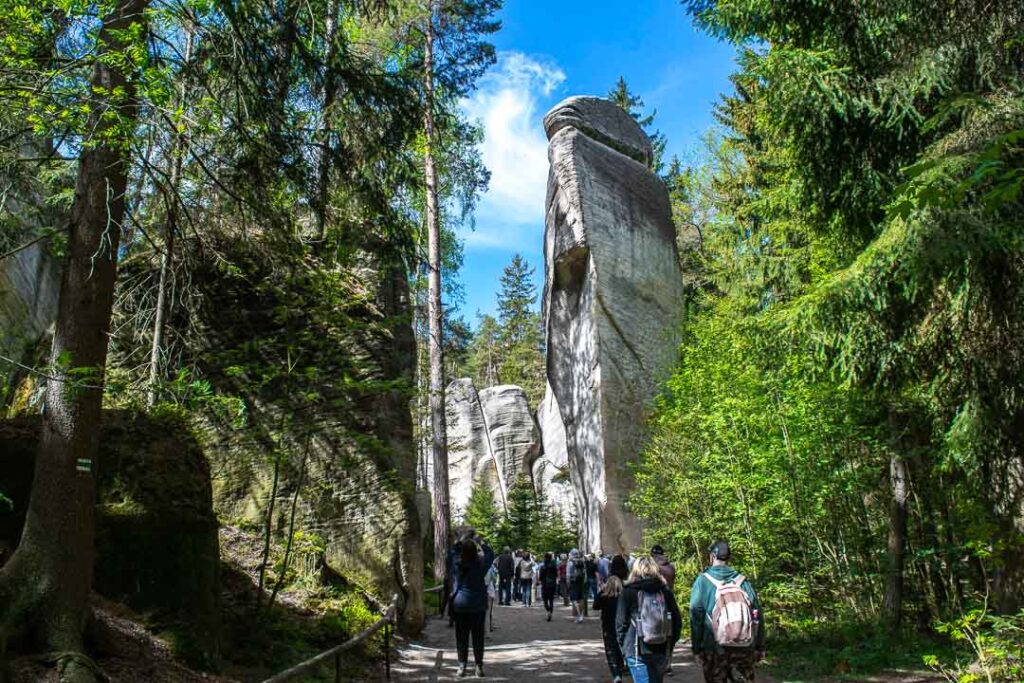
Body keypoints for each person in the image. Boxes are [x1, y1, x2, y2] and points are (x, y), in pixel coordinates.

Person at [690, 540, 765, 683]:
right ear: (729, 558)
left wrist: (697, 649)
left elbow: (696, 616)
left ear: (712, 557)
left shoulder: (702, 581)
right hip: (744, 646)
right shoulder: (742, 581)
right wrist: (760, 646)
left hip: (714, 647)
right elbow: (757, 614)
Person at [616, 556, 682, 683]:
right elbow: (676, 621)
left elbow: (621, 623)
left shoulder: (629, 591)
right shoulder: (665, 591)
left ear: (634, 570)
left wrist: (624, 646)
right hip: (660, 647)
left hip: (635, 648)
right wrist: (670, 643)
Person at [451, 534, 495, 678]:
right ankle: (478, 666)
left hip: (461, 604)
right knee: (478, 636)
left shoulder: (457, 563)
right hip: (477, 605)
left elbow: (452, 552)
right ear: (475, 551)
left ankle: (461, 666)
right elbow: (490, 553)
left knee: (461, 637)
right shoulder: (480, 564)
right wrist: (480, 541)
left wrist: (460, 540)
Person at [594, 575, 627, 683]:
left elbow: (595, 606)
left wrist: (600, 591)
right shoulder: (623, 597)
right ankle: (620, 668)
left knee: (610, 650)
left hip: (608, 628)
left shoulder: (604, 598)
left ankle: (616, 673)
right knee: (620, 648)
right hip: (621, 627)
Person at [651, 545, 677, 673]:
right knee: (669, 634)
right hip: (669, 604)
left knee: (654, 632)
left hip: (654, 605)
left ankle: (657, 662)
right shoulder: (671, 567)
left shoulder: (651, 568)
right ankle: (668, 663)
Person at [567, 549, 587, 623]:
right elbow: (585, 572)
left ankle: (579, 615)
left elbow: (568, 574)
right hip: (581, 581)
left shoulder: (570, 562)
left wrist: (568, 582)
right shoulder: (582, 561)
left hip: (573, 581)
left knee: (574, 599)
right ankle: (581, 614)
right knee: (581, 598)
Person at [539, 552, 559, 621]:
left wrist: (541, 580)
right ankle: (550, 611)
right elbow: (556, 574)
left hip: (545, 585)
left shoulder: (542, 566)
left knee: (545, 599)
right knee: (551, 600)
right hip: (552, 584)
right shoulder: (554, 566)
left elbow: (540, 577)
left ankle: (548, 610)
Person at [485, 560, 498, 632]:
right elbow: (494, 579)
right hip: (489, 591)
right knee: (489, 611)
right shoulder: (490, 568)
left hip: (479, 592)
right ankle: (488, 629)